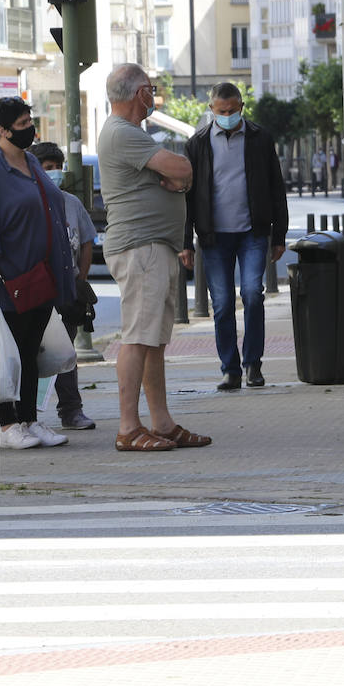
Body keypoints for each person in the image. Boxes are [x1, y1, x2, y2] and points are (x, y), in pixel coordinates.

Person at [99, 63, 210, 453]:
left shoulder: (134, 134)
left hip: (153, 246)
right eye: (150, 88)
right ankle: (128, 427)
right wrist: (180, 177)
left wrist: (180, 178)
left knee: (154, 341)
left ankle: (161, 421)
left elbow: (183, 175)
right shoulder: (122, 133)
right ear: (137, 93)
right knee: (138, 338)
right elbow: (182, 168)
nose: (154, 94)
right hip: (140, 246)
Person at [0, 98, 79, 450]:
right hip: (5, 280)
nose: (30, 127)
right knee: (5, 355)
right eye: (23, 122)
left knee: (31, 352)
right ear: (2, 130)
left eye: (30, 119)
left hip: (39, 277)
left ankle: (29, 418)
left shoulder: (30, 161)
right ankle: (7, 423)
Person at [181, 82, 288, 391]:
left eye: (232, 111)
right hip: (214, 237)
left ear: (242, 107)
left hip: (253, 232)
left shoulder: (259, 138)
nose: (227, 116)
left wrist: (279, 235)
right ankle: (230, 369)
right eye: (221, 112)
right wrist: (185, 242)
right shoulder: (197, 144)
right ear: (212, 110)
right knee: (223, 303)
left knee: (254, 294)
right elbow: (188, 198)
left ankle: (253, 364)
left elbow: (275, 188)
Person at [30, 141, 98, 432]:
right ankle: (24, 417)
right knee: (31, 354)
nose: (55, 173)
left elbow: (86, 241)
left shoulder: (71, 203)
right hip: (35, 291)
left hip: (66, 292)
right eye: (48, 168)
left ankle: (71, 410)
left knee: (66, 352)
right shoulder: (29, 201)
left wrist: (80, 279)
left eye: (58, 167)